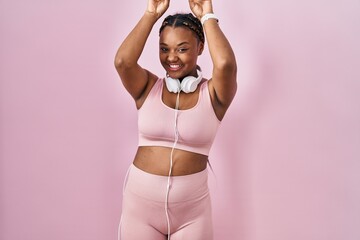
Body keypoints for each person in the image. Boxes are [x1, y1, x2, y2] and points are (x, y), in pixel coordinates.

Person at [114, 0, 237, 239]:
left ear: (200, 47)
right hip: (140, 209)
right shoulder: (147, 87)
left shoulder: (214, 95)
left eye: (182, 49)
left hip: (191, 214)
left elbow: (225, 65)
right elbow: (123, 62)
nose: (172, 57)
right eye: (164, 48)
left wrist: (207, 17)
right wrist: (151, 14)